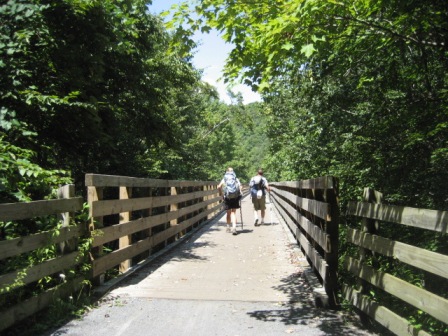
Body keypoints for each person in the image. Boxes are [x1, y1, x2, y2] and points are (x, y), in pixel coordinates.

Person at [217, 167, 242, 235]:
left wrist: (221, 194)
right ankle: (234, 228)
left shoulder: (224, 178)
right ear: (233, 172)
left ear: (227, 172)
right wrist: (239, 194)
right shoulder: (235, 178)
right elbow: (240, 187)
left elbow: (219, 187)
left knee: (228, 213)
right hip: (235, 197)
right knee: (233, 213)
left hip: (227, 197)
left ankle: (228, 227)